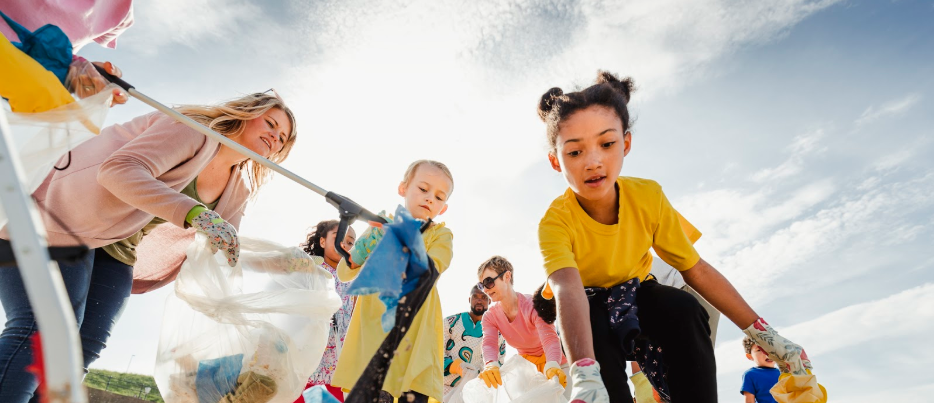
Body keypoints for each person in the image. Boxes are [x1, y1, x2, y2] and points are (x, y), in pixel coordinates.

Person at [0, 92, 297, 403]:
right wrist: (194, 213)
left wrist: (284, 263)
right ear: (247, 114)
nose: (273, 137)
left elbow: (227, 250)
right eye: (270, 124)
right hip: (62, 220)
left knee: (85, 346)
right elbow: (118, 171)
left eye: (281, 138)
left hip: (118, 249)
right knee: (47, 328)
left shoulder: (238, 188)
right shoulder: (192, 130)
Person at [535, 71, 812, 402]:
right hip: (587, 305)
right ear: (556, 160)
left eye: (606, 144)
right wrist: (583, 372)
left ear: (625, 143)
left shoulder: (648, 196)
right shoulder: (555, 221)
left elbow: (695, 269)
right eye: (575, 152)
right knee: (597, 349)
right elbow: (568, 289)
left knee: (683, 306)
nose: (593, 161)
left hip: (637, 293)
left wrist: (765, 335)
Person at [332, 160, 455, 403]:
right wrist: (363, 249)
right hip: (373, 331)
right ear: (403, 188)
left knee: (410, 392)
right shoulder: (380, 225)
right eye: (423, 189)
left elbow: (432, 267)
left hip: (414, 334)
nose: (430, 198)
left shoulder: (440, 235)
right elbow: (345, 272)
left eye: (439, 197)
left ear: (443, 208)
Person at [476, 256, 568, 390]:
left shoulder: (532, 306)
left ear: (507, 276)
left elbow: (550, 339)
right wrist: (490, 364)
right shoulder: (490, 317)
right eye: (481, 285)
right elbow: (489, 343)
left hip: (556, 364)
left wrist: (553, 365)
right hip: (528, 370)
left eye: (489, 282)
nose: (485, 289)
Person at [294, 220, 357, 403]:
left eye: (351, 242)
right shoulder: (311, 270)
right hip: (308, 361)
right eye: (339, 238)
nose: (345, 244)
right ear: (323, 242)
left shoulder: (354, 281)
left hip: (337, 366)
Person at [442, 286, 504, 401]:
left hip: (474, 392)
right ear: (469, 299)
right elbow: (435, 352)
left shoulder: (498, 333)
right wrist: (456, 367)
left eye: (484, 297)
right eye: (475, 296)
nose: (479, 300)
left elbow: (499, 363)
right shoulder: (450, 323)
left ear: (489, 301)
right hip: (443, 389)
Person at [741, 336, 780, 403]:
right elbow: (749, 400)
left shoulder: (784, 373)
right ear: (750, 356)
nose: (767, 353)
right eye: (759, 350)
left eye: (770, 348)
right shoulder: (751, 374)